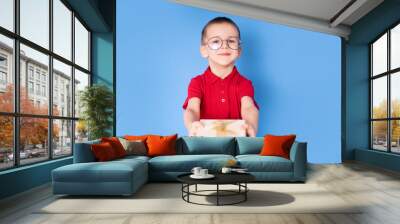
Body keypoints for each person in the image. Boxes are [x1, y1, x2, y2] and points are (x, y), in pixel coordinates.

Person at [183, 17, 259, 137]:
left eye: (231, 41)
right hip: (205, 143)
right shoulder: (197, 82)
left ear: (239, 50)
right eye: (216, 41)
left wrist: (251, 125)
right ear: (204, 50)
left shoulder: (244, 83)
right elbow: (192, 109)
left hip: (236, 144)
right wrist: (192, 124)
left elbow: (249, 107)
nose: (224, 46)